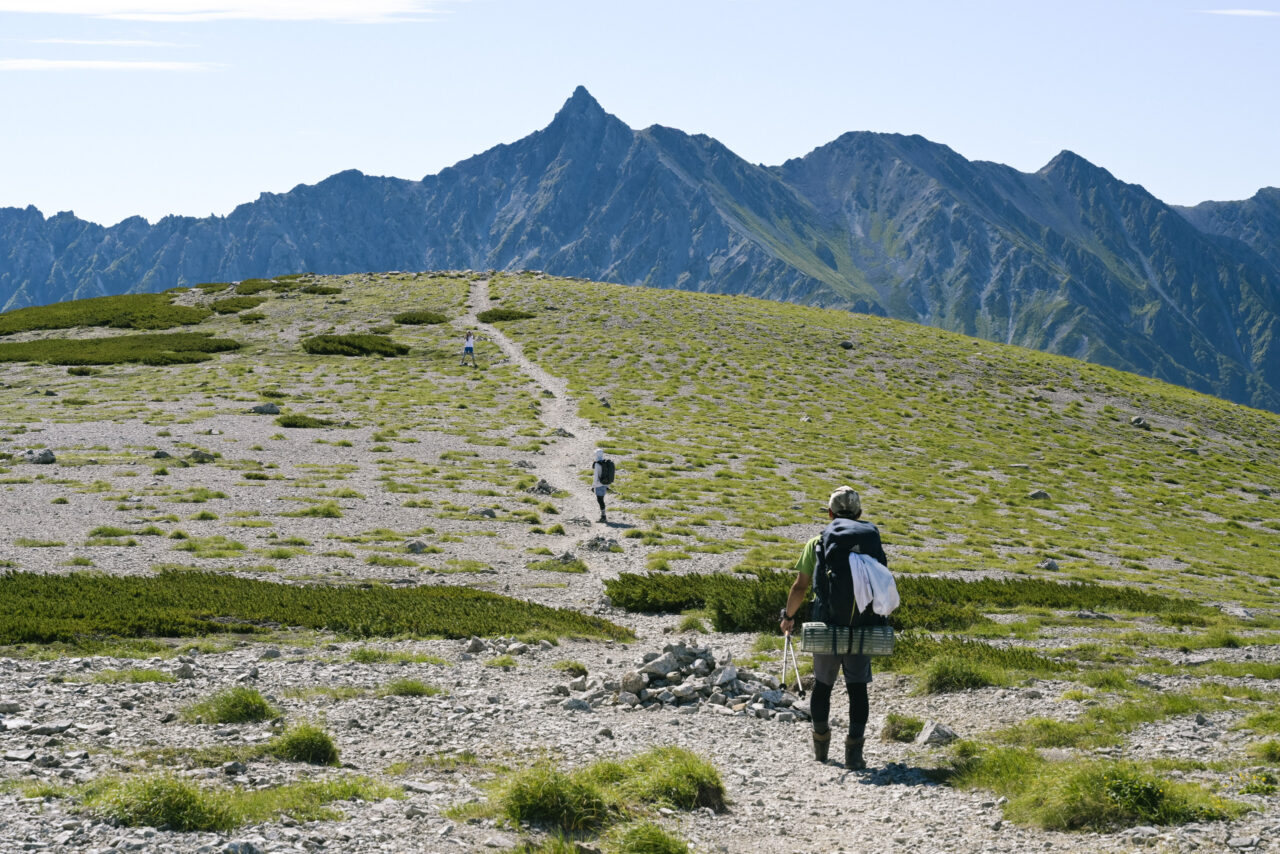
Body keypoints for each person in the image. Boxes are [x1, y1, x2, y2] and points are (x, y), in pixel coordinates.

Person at [779, 486, 888, 770]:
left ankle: (821, 746)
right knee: (857, 687)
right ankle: (854, 753)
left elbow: (800, 586)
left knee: (823, 685)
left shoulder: (817, 542)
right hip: (862, 625)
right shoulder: (869, 541)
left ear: (830, 513)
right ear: (859, 513)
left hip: (827, 624)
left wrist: (788, 616)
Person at [591, 449, 609, 523]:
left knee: (600, 500)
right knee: (601, 500)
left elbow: (596, 476)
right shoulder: (606, 462)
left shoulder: (597, 464)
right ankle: (603, 516)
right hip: (605, 484)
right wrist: (607, 485)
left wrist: (593, 486)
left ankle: (603, 517)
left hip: (598, 485)